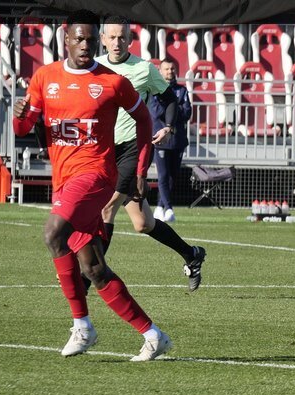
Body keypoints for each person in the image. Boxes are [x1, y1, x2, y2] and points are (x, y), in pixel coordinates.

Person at [12, 10, 172, 361]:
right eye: (79, 39)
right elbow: (22, 128)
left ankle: (82, 326)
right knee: (94, 269)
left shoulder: (113, 82)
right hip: (64, 180)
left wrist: (140, 169)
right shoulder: (45, 77)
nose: (85, 45)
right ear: (66, 40)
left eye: (89, 39)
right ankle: (153, 334)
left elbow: (144, 120)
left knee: (53, 232)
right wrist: (20, 114)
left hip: (97, 175)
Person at [96, 17, 206, 291]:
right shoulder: (94, 67)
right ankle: (192, 254)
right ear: (103, 39)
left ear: (130, 40)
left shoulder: (144, 69)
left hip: (132, 149)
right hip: (103, 152)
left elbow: (169, 99)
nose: (117, 42)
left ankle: (88, 276)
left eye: (122, 37)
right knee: (143, 223)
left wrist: (168, 126)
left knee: (107, 208)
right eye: (112, 37)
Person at [149, 59, 192, 223]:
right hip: (160, 138)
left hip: (178, 138)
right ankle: (168, 208)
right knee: (163, 175)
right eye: (166, 69)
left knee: (173, 176)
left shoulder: (182, 90)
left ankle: (160, 207)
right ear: (160, 71)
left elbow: (187, 113)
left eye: (172, 68)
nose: (170, 72)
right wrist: (174, 108)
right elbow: (156, 112)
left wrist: (171, 110)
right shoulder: (154, 90)